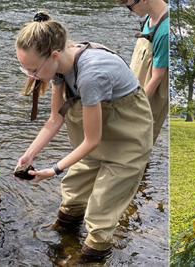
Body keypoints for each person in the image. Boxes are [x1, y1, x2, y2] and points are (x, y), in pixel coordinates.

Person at [14, 11, 153, 263]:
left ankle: (92, 256)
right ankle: (65, 231)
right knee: (74, 190)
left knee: (102, 208)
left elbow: (92, 141)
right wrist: (30, 154)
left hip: (126, 137)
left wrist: (53, 170)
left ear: (53, 55)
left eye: (33, 69)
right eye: (24, 68)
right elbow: (55, 118)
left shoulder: (91, 74)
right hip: (96, 135)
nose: (29, 76)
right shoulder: (57, 66)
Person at [116, 0, 169, 144]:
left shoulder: (165, 31)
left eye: (129, 5)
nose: (129, 11)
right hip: (136, 87)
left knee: (140, 139)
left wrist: (135, 107)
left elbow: (157, 77)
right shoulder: (150, 17)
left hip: (149, 94)